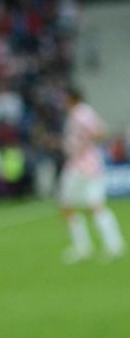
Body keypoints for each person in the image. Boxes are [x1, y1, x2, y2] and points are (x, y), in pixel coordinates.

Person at [58, 86, 125, 263]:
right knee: (87, 205)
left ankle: (86, 246)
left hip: (82, 164)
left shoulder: (81, 114)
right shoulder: (82, 112)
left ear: (71, 98)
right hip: (87, 163)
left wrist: (82, 146)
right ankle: (111, 244)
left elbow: (100, 132)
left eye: (64, 97)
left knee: (72, 206)